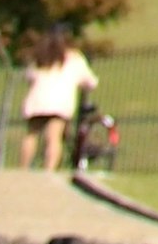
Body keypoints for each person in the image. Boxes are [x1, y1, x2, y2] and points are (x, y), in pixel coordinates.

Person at [16, 27, 97, 171]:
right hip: (59, 103)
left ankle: (23, 169)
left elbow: (29, 76)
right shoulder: (73, 58)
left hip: (37, 101)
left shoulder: (40, 58)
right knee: (53, 138)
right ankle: (49, 170)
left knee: (31, 135)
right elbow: (90, 81)